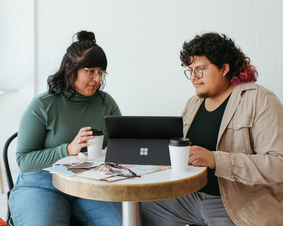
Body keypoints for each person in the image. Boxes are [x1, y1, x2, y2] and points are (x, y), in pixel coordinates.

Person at [142, 32, 283, 226]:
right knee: (137, 206)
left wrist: (216, 159)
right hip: (189, 197)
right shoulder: (193, 104)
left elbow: (278, 164)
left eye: (200, 69)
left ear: (224, 68)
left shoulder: (260, 99)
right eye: (190, 71)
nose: (193, 78)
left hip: (237, 202)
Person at [9, 30, 122, 226]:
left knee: (122, 222)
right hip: (41, 186)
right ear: (71, 68)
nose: (97, 79)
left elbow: (122, 143)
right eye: (91, 71)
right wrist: (68, 150)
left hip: (89, 185)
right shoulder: (42, 105)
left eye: (101, 72)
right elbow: (24, 161)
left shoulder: (106, 103)